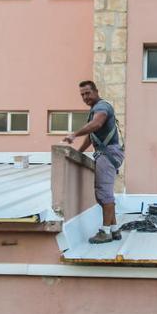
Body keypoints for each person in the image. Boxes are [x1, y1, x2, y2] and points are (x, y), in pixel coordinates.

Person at [63, 80, 124, 244]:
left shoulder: (101, 107)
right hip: (107, 153)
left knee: (104, 193)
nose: (85, 97)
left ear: (96, 91)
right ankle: (114, 229)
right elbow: (92, 136)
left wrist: (74, 134)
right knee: (104, 193)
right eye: (82, 94)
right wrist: (78, 153)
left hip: (107, 153)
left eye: (87, 93)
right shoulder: (95, 109)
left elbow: (96, 124)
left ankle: (105, 232)